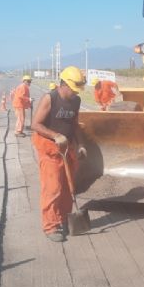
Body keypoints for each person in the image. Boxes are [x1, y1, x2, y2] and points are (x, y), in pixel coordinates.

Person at [31, 66, 87, 242]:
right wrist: (55, 136)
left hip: (67, 147)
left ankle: (63, 219)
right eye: (73, 88)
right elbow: (36, 125)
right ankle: (50, 226)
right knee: (53, 187)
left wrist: (81, 145)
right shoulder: (50, 98)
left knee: (67, 187)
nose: (75, 93)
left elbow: (75, 125)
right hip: (49, 148)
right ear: (63, 84)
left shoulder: (75, 101)